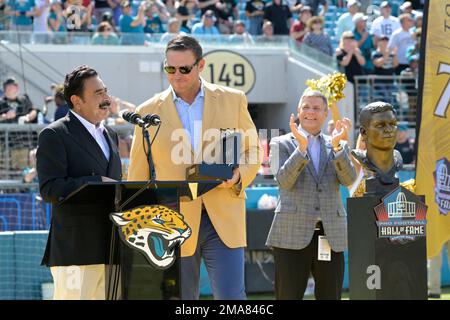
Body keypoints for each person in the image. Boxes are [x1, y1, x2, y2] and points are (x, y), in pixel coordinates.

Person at [127, 35, 261, 299]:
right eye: (170, 68)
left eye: (184, 68)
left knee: (232, 298)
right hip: (172, 221)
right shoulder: (147, 111)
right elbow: (137, 175)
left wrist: (238, 175)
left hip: (223, 214)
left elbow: (253, 150)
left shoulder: (233, 99)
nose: (176, 75)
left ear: (201, 65)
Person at [36, 65, 122, 300]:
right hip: (75, 252)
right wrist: (95, 182)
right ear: (76, 100)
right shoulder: (54, 134)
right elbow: (49, 189)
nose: (106, 98)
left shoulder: (110, 135)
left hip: (113, 249)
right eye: (98, 93)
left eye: (105, 91)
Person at [266, 89, 356, 300]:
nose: (310, 112)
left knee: (330, 296)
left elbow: (349, 179)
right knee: (287, 295)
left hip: (330, 233)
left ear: (325, 114)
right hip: (290, 234)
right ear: (298, 111)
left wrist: (337, 149)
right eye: (306, 107)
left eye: (316, 108)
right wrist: (301, 149)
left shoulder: (337, 144)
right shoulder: (281, 143)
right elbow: (284, 180)